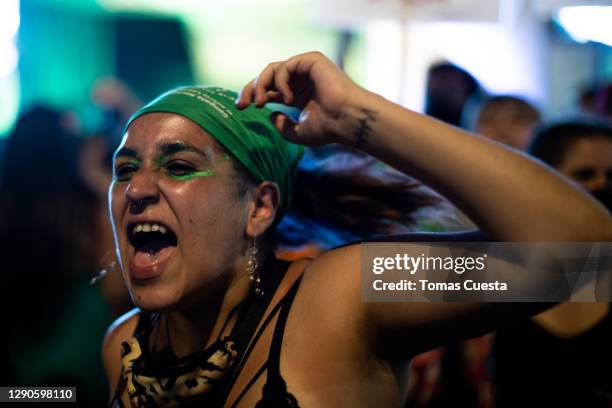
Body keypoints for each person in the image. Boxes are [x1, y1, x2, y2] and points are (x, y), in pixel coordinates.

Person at [102, 52, 611, 407]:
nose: (137, 189)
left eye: (180, 166)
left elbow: (585, 255)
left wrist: (357, 115)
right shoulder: (123, 346)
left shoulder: (342, 297)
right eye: (125, 170)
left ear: (259, 207)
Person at [492, 119, 612, 407]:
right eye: (585, 174)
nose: (602, 184)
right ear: (543, 180)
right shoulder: (496, 266)